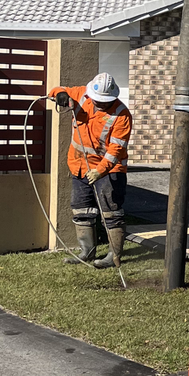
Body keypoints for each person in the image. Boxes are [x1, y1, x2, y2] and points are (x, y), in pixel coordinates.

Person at [48, 71, 132, 269]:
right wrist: (60, 95)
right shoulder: (81, 95)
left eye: (104, 101)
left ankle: (114, 256)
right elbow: (55, 91)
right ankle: (86, 251)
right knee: (81, 209)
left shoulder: (122, 115)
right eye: (97, 100)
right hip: (79, 166)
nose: (99, 104)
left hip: (110, 170)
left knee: (111, 213)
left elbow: (116, 150)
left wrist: (100, 170)